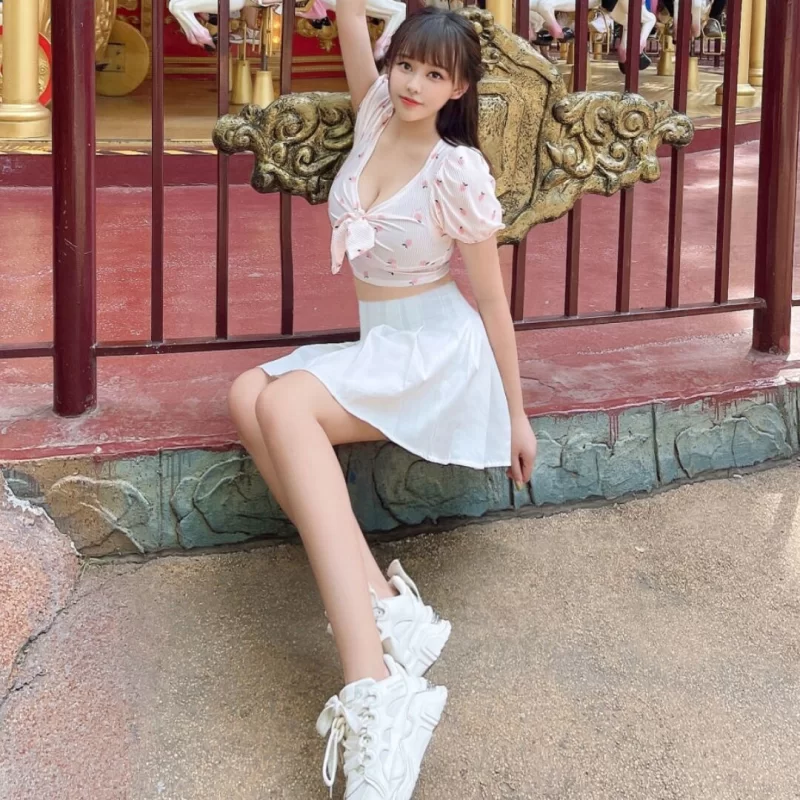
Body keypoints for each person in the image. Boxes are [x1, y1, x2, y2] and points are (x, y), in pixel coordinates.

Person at [227, 2, 537, 797]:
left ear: (458, 88)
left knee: (286, 405)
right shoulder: (374, 114)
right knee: (247, 392)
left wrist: (517, 412)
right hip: (385, 346)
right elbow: (353, 30)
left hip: (438, 353)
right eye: (405, 65)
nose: (412, 84)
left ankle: (377, 689)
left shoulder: (456, 170)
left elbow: (492, 301)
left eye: (434, 74)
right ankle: (389, 606)